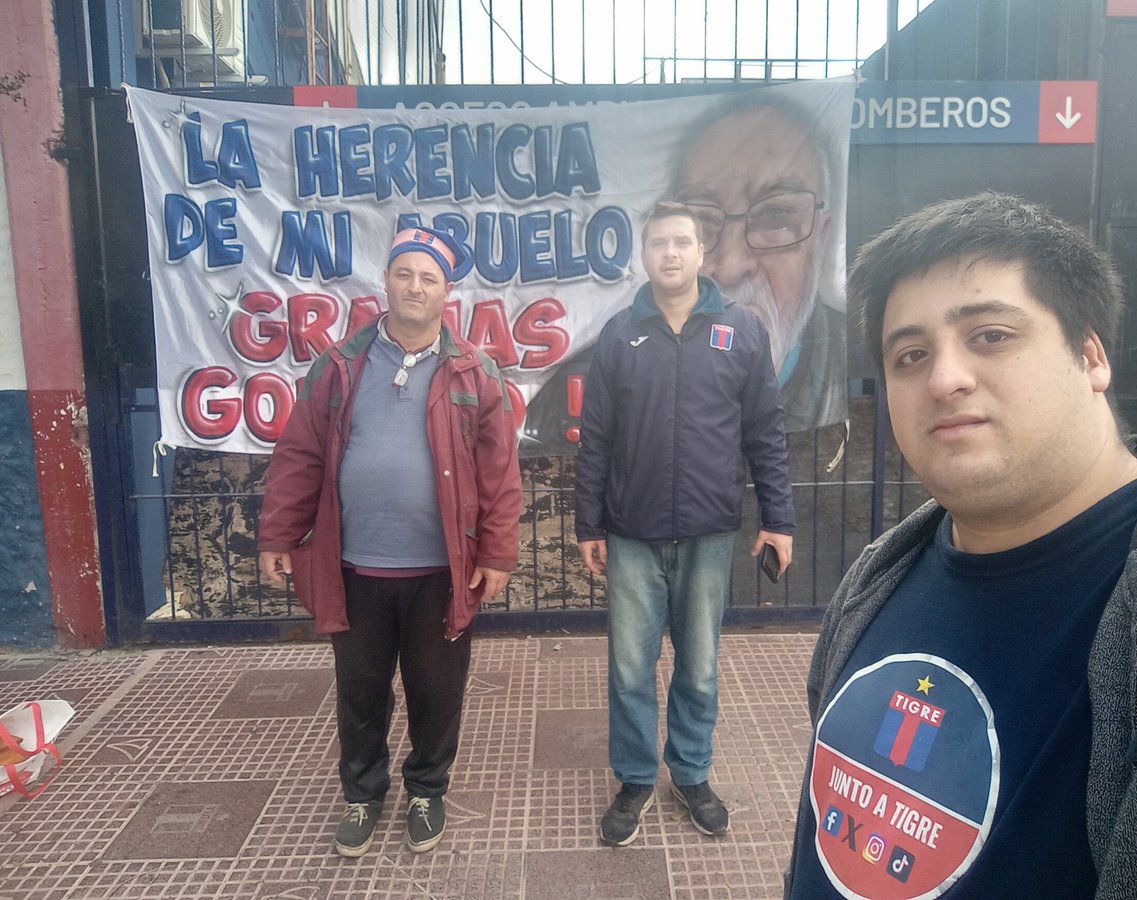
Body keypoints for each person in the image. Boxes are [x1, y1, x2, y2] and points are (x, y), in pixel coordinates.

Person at [786, 194, 1137, 898]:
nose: (944, 378)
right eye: (910, 355)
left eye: (991, 335)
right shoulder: (880, 574)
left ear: (1091, 355)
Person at [257, 226, 522, 858]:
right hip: (355, 567)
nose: (414, 287)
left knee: (437, 692)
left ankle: (427, 788)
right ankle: (363, 793)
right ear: (386, 282)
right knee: (360, 690)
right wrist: (278, 532)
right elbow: (298, 456)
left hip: (441, 570)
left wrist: (498, 553)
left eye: (428, 278)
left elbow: (499, 474)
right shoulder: (340, 366)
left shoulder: (474, 373)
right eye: (404, 273)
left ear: (447, 292)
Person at [575, 202, 796, 846]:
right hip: (631, 533)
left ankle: (692, 772)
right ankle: (637, 777)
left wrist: (778, 518)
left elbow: (765, 434)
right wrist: (590, 525)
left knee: (699, 665)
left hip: (710, 532)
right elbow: (595, 441)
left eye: (681, 243)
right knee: (628, 668)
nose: (670, 254)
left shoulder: (742, 331)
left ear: (702, 253)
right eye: (657, 244)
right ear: (643, 257)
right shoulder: (620, 336)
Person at [671, 98, 846, 433]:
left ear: (821, 239)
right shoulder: (624, 351)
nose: (732, 266)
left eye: (775, 217)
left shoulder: (866, 358)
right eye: (701, 221)